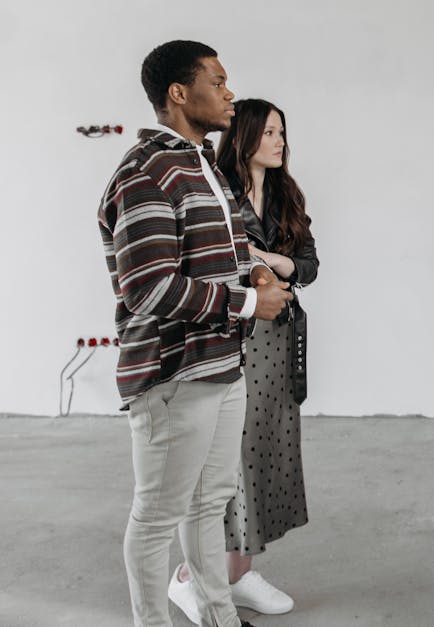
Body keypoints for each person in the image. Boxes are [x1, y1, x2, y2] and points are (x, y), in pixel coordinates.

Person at [97, 39, 291, 627]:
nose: (230, 94)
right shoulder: (142, 174)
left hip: (221, 367)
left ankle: (217, 616)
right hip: (172, 375)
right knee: (157, 516)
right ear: (179, 94)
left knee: (208, 505)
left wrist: (254, 268)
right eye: (218, 81)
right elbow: (150, 291)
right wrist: (248, 301)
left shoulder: (203, 163)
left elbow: (229, 248)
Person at [169, 98, 318, 619]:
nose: (280, 141)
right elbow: (215, 260)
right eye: (271, 131)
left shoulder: (284, 193)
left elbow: (308, 265)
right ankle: (193, 577)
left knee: (268, 453)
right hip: (234, 336)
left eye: (283, 131)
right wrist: (269, 270)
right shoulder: (219, 189)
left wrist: (274, 261)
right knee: (228, 463)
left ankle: (239, 572)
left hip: (278, 341)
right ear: (248, 135)